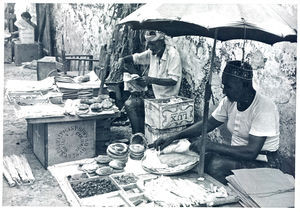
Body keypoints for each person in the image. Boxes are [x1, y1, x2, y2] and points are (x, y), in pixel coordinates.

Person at [151, 60, 280, 184]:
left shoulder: (264, 107)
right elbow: (208, 124)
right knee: (198, 159)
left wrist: (211, 145)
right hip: (237, 156)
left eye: (228, 87)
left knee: (214, 165)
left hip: (262, 162)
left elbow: (251, 152)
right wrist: (175, 136)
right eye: (224, 86)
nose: (224, 91)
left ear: (245, 85)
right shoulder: (229, 101)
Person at [118, 30, 182, 134]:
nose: (150, 47)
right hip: (154, 98)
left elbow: (173, 81)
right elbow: (137, 58)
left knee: (134, 105)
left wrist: (151, 80)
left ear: (162, 42)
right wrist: (123, 60)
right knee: (130, 104)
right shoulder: (153, 52)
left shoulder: (173, 54)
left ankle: (142, 135)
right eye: (148, 44)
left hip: (168, 100)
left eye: (152, 44)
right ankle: (138, 137)